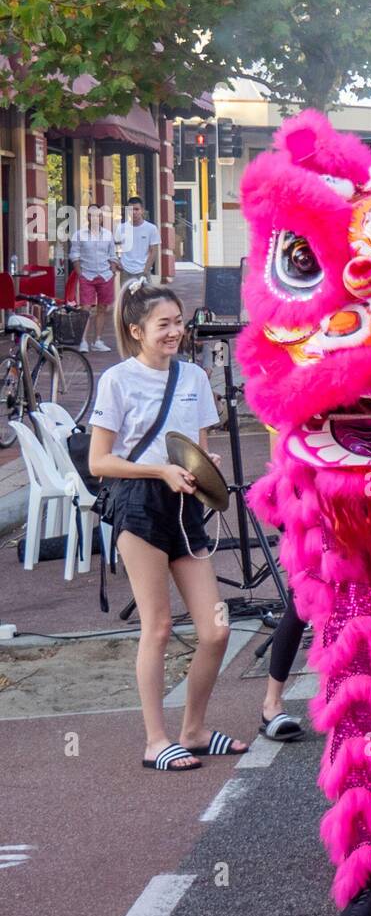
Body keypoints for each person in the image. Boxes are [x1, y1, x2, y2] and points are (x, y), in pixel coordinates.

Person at [88, 280, 248, 770]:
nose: (176, 331)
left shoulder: (195, 378)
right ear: (137, 331)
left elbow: (193, 450)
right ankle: (156, 740)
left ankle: (194, 729)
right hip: (139, 504)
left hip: (186, 502)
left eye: (179, 322)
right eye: (165, 325)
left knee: (217, 628)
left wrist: (206, 466)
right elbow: (99, 462)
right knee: (156, 627)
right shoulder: (117, 380)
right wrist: (158, 469)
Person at [69, 203, 118, 354]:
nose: (95, 218)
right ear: (88, 217)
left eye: (98, 215)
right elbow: (74, 255)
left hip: (105, 275)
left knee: (102, 308)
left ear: (102, 218)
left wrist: (113, 271)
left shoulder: (108, 235)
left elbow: (112, 255)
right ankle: (83, 341)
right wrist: (80, 273)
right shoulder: (79, 235)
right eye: (92, 215)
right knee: (85, 309)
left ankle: (98, 340)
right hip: (87, 275)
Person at [115, 196, 161, 282]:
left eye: (137, 209)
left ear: (142, 210)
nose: (134, 212)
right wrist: (118, 261)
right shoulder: (121, 228)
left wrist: (146, 270)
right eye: (131, 209)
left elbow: (154, 251)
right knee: (126, 296)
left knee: (145, 295)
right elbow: (115, 247)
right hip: (126, 271)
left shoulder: (151, 228)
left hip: (143, 271)